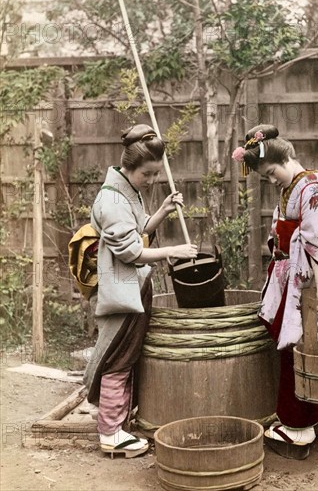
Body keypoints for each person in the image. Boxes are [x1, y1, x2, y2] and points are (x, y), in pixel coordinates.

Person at [232, 124, 318, 459]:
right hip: (286, 270)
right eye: (266, 176)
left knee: (295, 343)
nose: (271, 180)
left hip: (301, 277)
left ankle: (299, 424)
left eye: (271, 173)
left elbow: (316, 243)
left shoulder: (312, 190)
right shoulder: (293, 188)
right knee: (290, 339)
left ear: (288, 157)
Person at [83, 123, 197, 458]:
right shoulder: (112, 201)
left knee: (126, 356)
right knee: (118, 358)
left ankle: (116, 422)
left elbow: (139, 231)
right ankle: (110, 433)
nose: (151, 180)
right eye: (147, 174)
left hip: (134, 287)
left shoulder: (126, 191)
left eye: (155, 174)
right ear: (129, 168)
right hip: (120, 291)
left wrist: (162, 210)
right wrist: (171, 252)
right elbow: (131, 252)